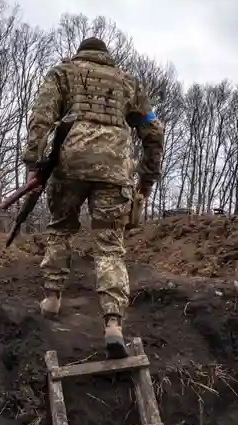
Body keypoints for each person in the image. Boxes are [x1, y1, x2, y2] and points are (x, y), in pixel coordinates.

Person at [21, 36, 165, 358]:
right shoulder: (129, 83)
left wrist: (33, 163)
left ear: (81, 52)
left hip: (69, 167)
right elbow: (153, 131)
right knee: (110, 246)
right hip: (114, 171)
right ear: (107, 56)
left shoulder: (62, 73)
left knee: (60, 228)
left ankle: (52, 298)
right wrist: (147, 179)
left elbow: (41, 118)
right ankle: (113, 324)